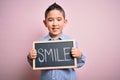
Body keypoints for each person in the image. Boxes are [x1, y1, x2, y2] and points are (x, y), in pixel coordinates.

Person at [27, 3, 86, 80]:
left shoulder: (70, 43)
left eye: (59, 19)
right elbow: (35, 64)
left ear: (65, 22)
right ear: (45, 23)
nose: (55, 24)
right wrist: (31, 57)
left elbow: (79, 64)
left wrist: (79, 55)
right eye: (50, 20)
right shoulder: (40, 44)